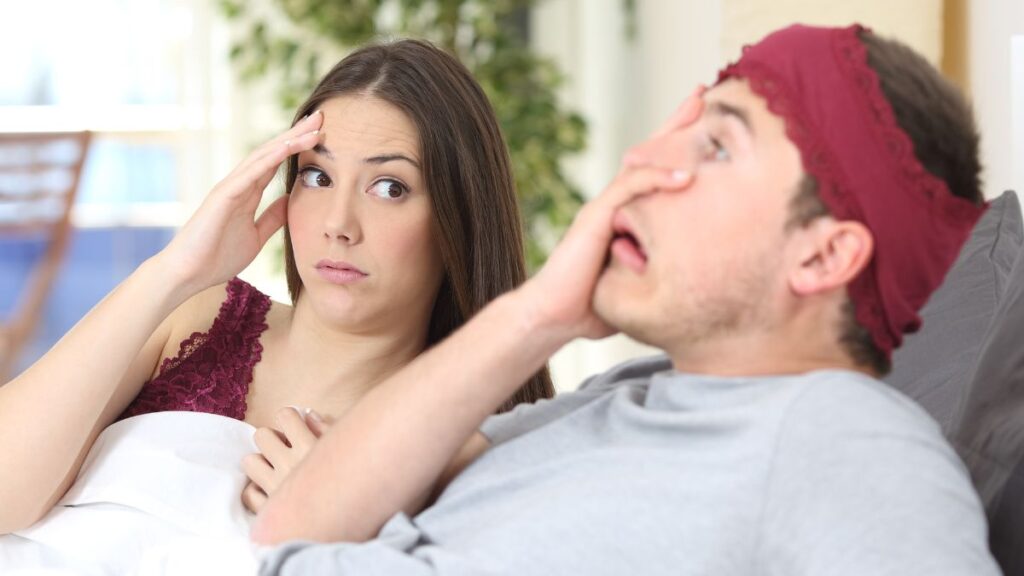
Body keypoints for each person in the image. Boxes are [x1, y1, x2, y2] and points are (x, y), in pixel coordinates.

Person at [253, 24, 1001, 575]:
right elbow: (299, 521)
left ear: (823, 254)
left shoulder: (844, 439)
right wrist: (540, 310)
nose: (643, 161)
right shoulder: (631, 395)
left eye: (715, 147)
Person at [0, 39, 553, 536]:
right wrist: (172, 271)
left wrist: (338, 532)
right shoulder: (197, 318)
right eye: (317, 175)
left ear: (460, 219)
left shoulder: (464, 449)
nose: (338, 223)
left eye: (389, 187)